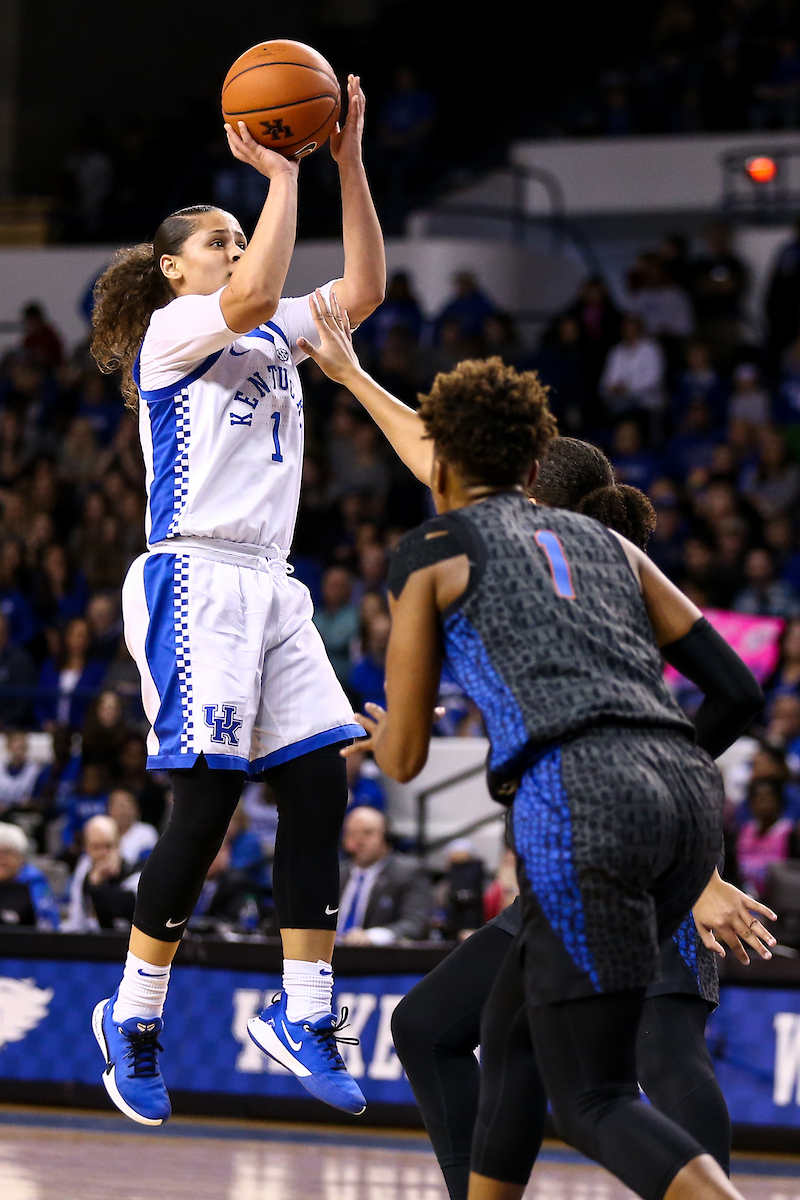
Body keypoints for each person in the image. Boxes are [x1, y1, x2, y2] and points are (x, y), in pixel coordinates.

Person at [299, 304, 771, 1200]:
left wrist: (386, 726)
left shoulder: (434, 548)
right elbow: (740, 690)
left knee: (592, 1094)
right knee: (507, 1041)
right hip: (682, 800)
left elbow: (399, 764)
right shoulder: (611, 544)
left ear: (447, 464)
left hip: (587, 803)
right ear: (528, 461)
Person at [87, 74, 385, 1125]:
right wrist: (280, 171)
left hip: (270, 582)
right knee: (205, 806)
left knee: (316, 778)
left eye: (232, 235)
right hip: (193, 576)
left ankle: (302, 1012)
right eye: (213, 239)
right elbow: (255, 291)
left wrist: (343, 162)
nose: (232, 248)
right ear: (175, 270)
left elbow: (361, 288)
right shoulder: (177, 332)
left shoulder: (269, 330)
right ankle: (131, 1015)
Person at [337, 805, 431, 944]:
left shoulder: (408, 872)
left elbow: (416, 923)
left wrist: (372, 937)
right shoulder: (336, 874)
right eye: (352, 834)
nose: (359, 841)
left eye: (367, 833)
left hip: (377, 958)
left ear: (386, 836)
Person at [0, 822, 60, 928]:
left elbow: (48, 922)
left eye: (7, 853)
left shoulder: (34, 880)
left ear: (20, 857)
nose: (2, 860)